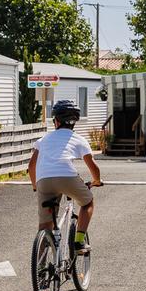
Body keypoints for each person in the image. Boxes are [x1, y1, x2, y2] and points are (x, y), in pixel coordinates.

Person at [28, 99, 102, 255]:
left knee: (45, 225)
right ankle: (79, 241)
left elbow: (31, 166)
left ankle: (40, 265)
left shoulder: (44, 140)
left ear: (56, 121)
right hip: (67, 177)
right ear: (74, 122)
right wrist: (96, 181)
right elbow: (93, 167)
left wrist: (35, 186)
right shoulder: (79, 139)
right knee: (88, 202)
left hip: (44, 181)